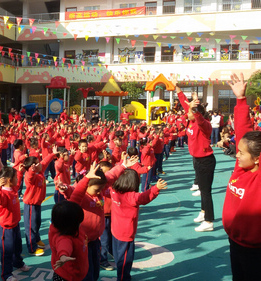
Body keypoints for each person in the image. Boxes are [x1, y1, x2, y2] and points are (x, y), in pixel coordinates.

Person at [222, 73, 261, 280]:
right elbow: (244, 130)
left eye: (242, 153)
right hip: (234, 242)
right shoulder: (240, 168)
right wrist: (240, 99)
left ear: (257, 158)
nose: (237, 154)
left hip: (255, 251)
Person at [174, 78, 216, 232]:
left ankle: (209, 221)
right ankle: (203, 212)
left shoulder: (204, 124)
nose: (187, 113)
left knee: (205, 192)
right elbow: (184, 101)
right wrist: (177, 87)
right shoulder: (190, 121)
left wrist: (194, 109)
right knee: (203, 191)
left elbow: (197, 116)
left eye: (190, 112)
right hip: (197, 160)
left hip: (206, 161)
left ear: (197, 113)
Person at [111, 169, 168, 281]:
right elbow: (145, 197)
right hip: (126, 234)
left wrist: (122, 165)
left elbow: (109, 178)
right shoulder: (132, 197)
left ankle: (121, 275)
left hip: (115, 230)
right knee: (125, 260)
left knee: (118, 256)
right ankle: (123, 278)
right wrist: (156, 188)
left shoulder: (113, 191)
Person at [0, 166, 31, 281]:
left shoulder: (13, 189)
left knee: (17, 247)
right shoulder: (4, 193)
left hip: (15, 224)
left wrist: (20, 172)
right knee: (7, 251)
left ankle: (18, 263)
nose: (17, 179)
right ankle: (6, 274)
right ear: (9, 180)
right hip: (6, 228)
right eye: (15, 177)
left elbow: (18, 183)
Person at [48, 200, 88, 281]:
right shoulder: (64, 238)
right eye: (79, 222)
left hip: (75, 271)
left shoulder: (63, 227)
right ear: (71, 224)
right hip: (69, 276)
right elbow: (64, 247)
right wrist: (63, 256)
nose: (80, 223)